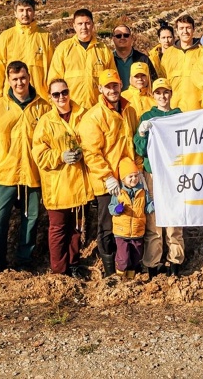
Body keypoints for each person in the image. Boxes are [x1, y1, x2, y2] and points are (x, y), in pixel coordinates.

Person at [0, 61, 50, 271]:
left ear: (29, 77)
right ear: (8, 80)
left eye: (22, 78)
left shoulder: (43, 106)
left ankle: (25, 261)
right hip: (6, 172)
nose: (19, 83)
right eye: (14, 79)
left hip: (33, 171)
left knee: (31, 218)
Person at [79, 69, 139, 277]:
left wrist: (137, 170)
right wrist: (107, 177)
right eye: (108, 87)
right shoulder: (94, 116)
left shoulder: (129, 110)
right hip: (108, 183)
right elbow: (91, 153)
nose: (112, 90)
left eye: (115, 85)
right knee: (107, 226)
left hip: (128, 180)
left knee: (128, 224)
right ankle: (110, 271)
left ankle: (126, 267)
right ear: (100, 89)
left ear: (121, 85)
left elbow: (132, 143)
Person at [33, 78, 92, 278]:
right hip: (58, 182)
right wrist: (60, 156)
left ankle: (73, 263)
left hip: (79, 180)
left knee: (76, 227)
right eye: (56, 94)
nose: (61, 97)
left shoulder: (83, 114)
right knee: (58, 228)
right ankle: (59, 270)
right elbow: (39, 154)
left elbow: (92, 140)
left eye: (64, 92)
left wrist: (83, 153)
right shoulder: (45, 122)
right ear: (50, 97)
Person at [134, 78, 184, 276]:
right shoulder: (148, 117)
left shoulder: (179, 115)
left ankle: (175, 260)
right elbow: (140, 149)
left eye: (165, 92)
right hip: (153, 173)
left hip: (174, 174)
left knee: (174, 219)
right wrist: (141, 134)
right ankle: (153, 262)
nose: (162, 96)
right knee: (153, 220)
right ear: (153, 95)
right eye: (158, 93)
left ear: (171, 93)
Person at [49, 8, 117, 109]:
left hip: (97, 111)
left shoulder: (104, 50)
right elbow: (53, 82)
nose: (84, 27)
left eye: (87, 23)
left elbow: (113, 81)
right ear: (74, 26)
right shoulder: (63, 49)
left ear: (93, 25)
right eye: (80, 24)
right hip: (71, 111)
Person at [160, 14, 203, 112]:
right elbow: (162, 80)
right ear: (177, 31)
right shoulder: (169, 53)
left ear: (193, 29)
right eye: (181, 28)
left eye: (188, 28)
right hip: (173, 109)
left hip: (198, 110)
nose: (185, 31)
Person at [0, 0, 53, 98]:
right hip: (11, 97)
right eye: (21, 10)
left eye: (28, 10)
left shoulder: (44, 37)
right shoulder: (6, 36)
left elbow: (52, 69)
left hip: (39, 96)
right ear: (15, 13)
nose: (25, 14)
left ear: (34, 12)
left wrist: (51, 95)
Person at [109, 160, 154, 280]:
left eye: (136, 176)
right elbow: (111, 208)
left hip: (137, 231)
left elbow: (147, 206)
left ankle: (130, 278)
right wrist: (117, 209)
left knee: (136, 256)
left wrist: (154, 206)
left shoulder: (143, 192)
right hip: (121, 232)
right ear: (123, 179)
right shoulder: (119, 192)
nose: (134, 179)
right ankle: (119, 276)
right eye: (130, 176)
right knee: (123, 257)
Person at [111, 22, 156, 90]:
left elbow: (153, 82)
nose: (122, 38)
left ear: (131, 38)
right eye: (118, 36)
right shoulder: (108, 59)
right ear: (113, 39)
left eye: (126, 35)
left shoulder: (143, 59)